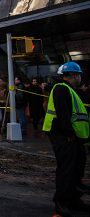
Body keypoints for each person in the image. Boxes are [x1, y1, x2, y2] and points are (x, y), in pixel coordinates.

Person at [43, 62, 89, 217]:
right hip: (63, 135)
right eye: (80, 75)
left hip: (70, 136)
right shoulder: (62, 89)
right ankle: (62, 202)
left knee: (75, 167)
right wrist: (69, 132)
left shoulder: (67, 89)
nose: (80, 78)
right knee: (67, 169)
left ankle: (72, 199)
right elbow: (63, 113)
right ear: (75, 75)